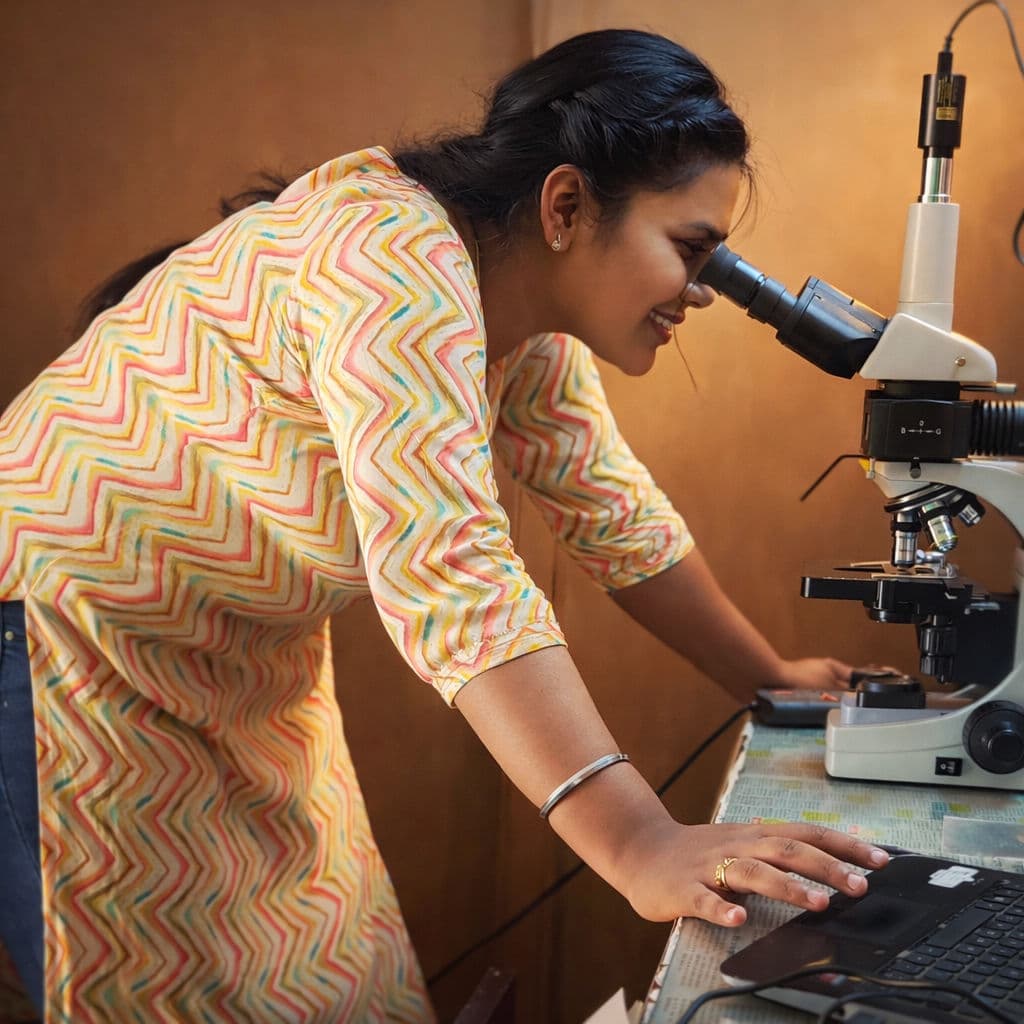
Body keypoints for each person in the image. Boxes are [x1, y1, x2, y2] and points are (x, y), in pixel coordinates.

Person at [0, 27, 887, 1023]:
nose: (698, 293)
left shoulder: (509, 310)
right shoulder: (391, 262)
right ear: (564, 206)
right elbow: (453, 574)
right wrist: (639, 843)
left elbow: (613, 515)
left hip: (237, 664)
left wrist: (767, 677)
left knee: (330, 977)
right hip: (65, 641)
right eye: (691, 251)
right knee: (143, 985)